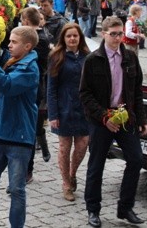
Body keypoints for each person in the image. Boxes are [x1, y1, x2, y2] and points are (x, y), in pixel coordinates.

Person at [79, 16, 147, 228]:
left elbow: (137, 90)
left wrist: (141, 118)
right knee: (96, 165)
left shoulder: (129, 57)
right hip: (101, 119)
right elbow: (85, 94)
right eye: (113, 34)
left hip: (125, 117)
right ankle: (93, 209)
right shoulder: (93, 60)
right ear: (104, 34)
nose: (118, 38)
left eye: (120, 33)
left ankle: (125, 207)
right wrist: (104, 117)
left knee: (136, 159)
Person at [0, 26, 40, 228]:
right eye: (9, 41)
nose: (9, 45)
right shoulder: (11, 61)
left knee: (16, 189)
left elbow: (7, 86)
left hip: (19, 137)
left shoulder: (30, 68)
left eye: (14, 42)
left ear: (27, 46)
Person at [47, 23, 90, 202]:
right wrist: (53, 115)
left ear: (80, 38)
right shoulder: (56, 57)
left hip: (84, 110)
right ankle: (66, 184)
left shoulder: (88, 57)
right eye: (69, 36)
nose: (72, 39)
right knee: (65, 147)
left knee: (82, 145)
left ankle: (72, 174)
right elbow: (51, 88)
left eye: (75, 36)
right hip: (64, 108)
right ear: (63, 39)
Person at [20, 7, 53, 182]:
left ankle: (28, 169)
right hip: (30, 87)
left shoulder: (39, 39)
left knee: (30, 129)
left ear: (25, 21)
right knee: (31, 127)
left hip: (35, 87)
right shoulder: (35, 35)